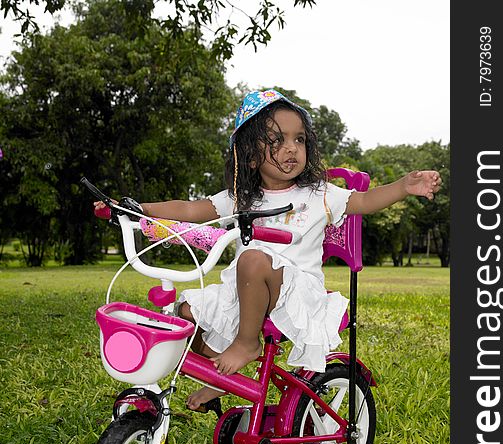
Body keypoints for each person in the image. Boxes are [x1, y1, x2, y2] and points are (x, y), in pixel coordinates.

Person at [94, 89, 441, 412]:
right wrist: (138, 208)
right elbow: (188, 209)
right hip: (246, 288)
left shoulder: (317, 193)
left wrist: (402, 186)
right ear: (249, 155)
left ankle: (246, 344)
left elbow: (364, 200)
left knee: (253, 259)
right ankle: (221, 377)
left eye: (299, 139)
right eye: (276, 140)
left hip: (296, 289)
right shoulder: (240, 198)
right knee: (186, 311)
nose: (292, 148)